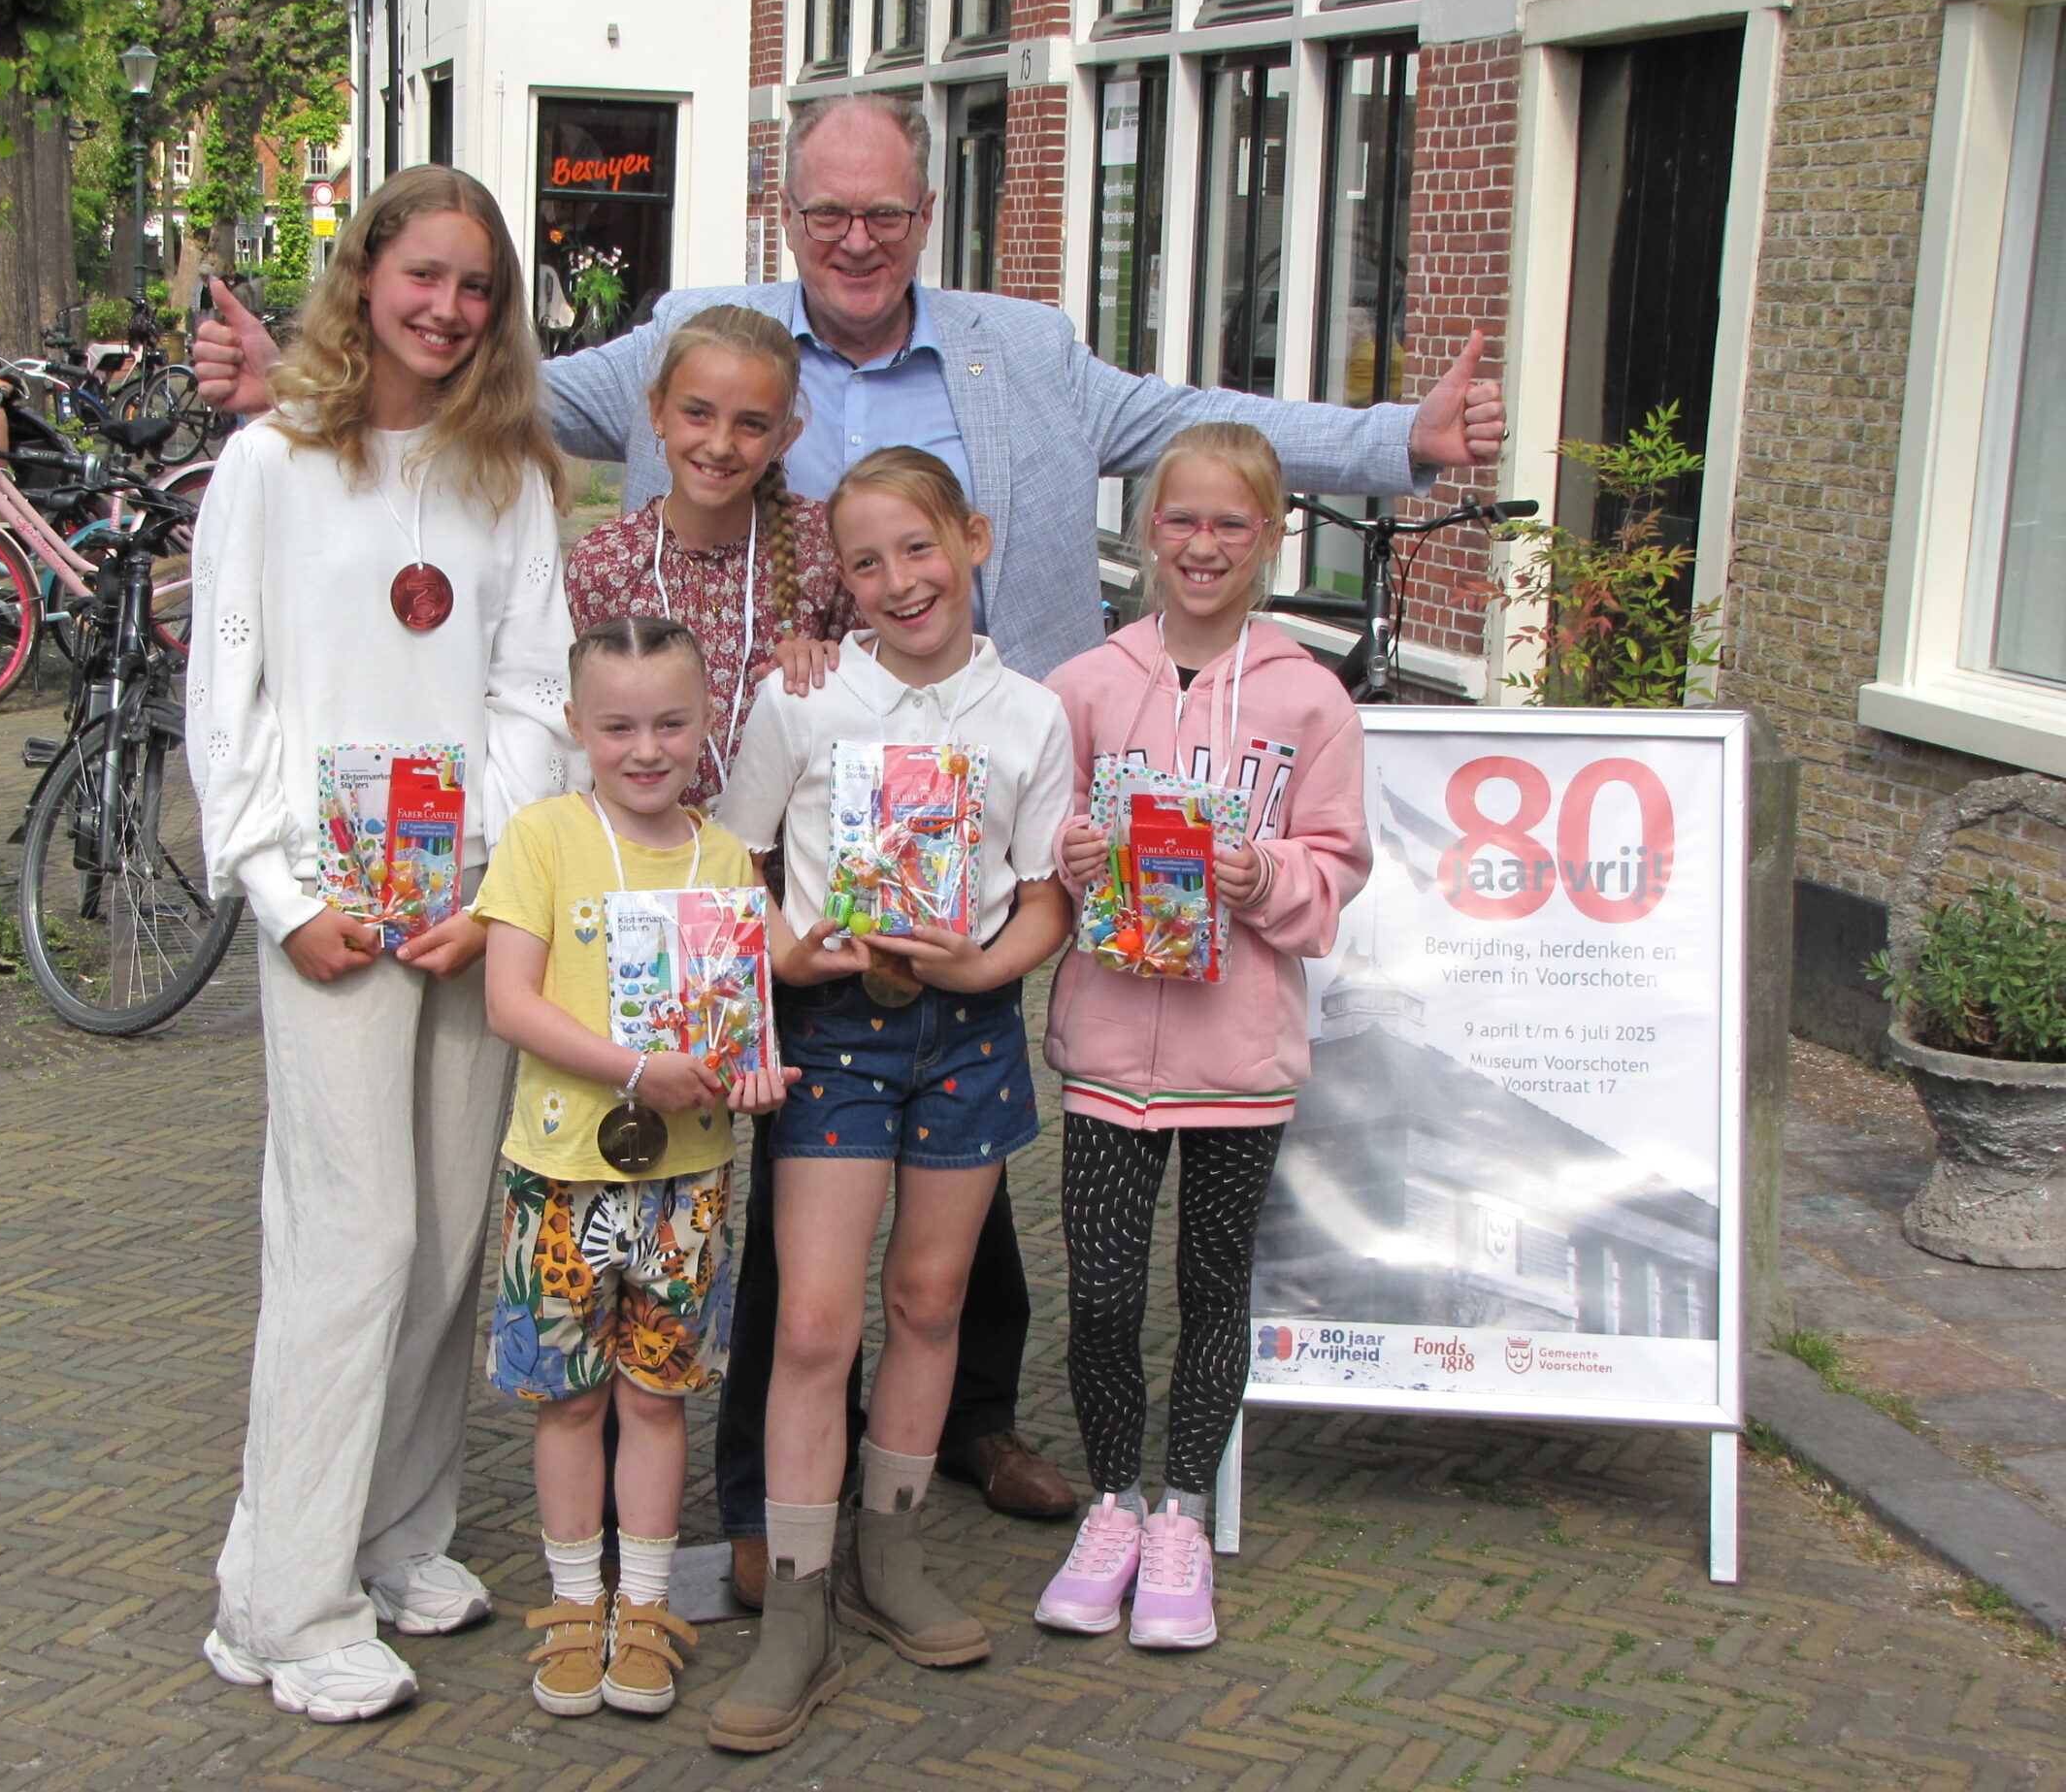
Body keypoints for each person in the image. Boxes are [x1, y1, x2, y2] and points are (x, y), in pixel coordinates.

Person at [193, 89, 1506, 1537]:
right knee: (780, 1158)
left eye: (885, 214)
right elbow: (516, 382)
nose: (857, 239)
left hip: (992, 806)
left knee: (964, 1173)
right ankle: (761, 1499)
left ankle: (970, 1429)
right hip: (748, 857)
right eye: (828, 215)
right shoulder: (706, 335)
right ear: (788, 220)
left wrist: (1399, 441)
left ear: (924, 219)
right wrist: (294, 379)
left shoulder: (1027, 348)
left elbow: (1201, 424)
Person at [184, 164, 574, 1723]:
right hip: (331, 913)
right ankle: (280, 1602)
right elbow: (234, 703)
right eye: (423, 275)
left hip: (461, 913)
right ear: (365, 278)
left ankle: (400, 1529)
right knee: (351, 1244)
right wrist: (285, 896)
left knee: (442, 1233)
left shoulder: (509, 475)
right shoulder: (272, 465)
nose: (448, 309)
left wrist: (487, 879)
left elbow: (533, 690)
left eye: (477, 286)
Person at [705, 448, 1076, 1753]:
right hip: (834, 1033)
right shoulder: (805, 703)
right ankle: (796, 1604)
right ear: (838, 584)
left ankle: (891, 1555)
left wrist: (987, 966)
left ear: (970, 539)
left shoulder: (1031, 716)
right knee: (811, 1323)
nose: (898, 580)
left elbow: (1047, 897)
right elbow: (731, 859)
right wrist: (785, 950)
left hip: (967, 1033)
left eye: (918, 548)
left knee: (927, 1302)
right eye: (866, 563)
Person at [1035, 423, 1370, 1647]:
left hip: (1240, 1059)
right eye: (1181, 519)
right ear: (1145, 529)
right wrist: (1069, 859)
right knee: (1108, 1297)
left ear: (1271, 537)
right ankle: (1112, 1502)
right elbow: (1038, 851)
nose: (1203, 544)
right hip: (1110, 1054)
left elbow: (1338, 868)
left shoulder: (1307, 698)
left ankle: (1183, 1514)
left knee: (1214, 1287)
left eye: (1232, 523)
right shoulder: (1086, 682)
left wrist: (1262, 871)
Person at [474, 615, 798, 1721]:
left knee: (657, 1398)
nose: (645, 749)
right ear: (577, 727)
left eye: (671, 722)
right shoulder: (541, 839)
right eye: (617, 726)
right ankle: (574, 1606)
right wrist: (633, 1071)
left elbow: (754, 1009)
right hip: (561, 1174)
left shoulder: (724, 859)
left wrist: (753, 1073)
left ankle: (646, 1605)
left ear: (711, 724)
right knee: (566, 1401)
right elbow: (506, 1000)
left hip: (688, 1183)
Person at [562, 304, 853, 809]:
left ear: (786, 436)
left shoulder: (827, 546)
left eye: (751, 425)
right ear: (657, 411)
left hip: (798, 867)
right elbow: (588, 728)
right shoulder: (603, 561)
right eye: (697, 413)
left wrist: (839, 673)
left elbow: (882, 702)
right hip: (649, 864)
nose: (719, 445)